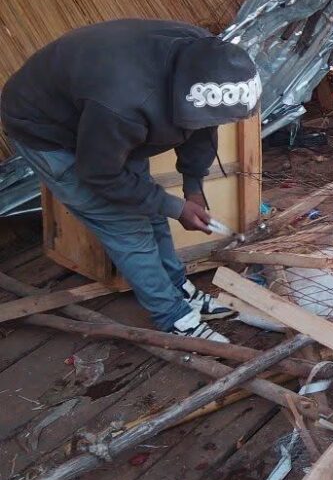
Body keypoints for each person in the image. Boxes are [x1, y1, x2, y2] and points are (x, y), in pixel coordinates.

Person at [1, 19, 263, 342]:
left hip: (100, 119)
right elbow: (100, 174)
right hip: (46, 129)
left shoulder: (205, 56)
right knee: (127, 228)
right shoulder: (125, 105)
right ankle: (173, 317)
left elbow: (204, 127)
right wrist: (173, 206)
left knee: (150, 209)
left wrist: (192, 189)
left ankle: (178, 287)